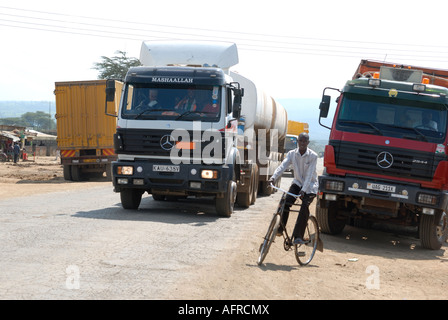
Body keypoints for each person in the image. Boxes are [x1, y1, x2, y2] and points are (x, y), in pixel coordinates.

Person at [268, 132, 318, 245]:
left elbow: (310, 175)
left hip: (310, 187)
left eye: (305, 141)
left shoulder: (313, 156)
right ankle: (280, 228)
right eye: (301, 141)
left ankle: (298, 236)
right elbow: (282, 166)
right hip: (297, 183)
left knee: (304, 207)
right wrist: (273, 178)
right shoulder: (292, 154)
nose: (302, 143)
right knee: (285, 202)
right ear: (298, 142)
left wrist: (304, 190)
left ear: (308, 143)